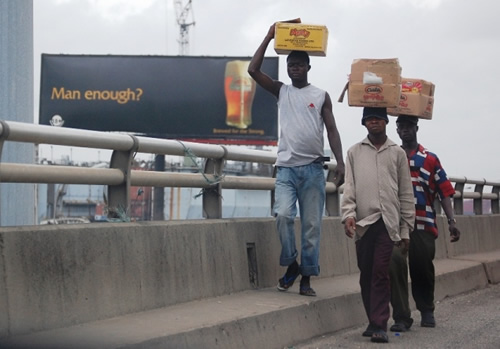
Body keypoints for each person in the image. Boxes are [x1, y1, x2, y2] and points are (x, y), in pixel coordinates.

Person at [248, 22, 345, 297]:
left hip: (313, 169)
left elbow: (332, 129)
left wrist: (340, 161)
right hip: (286, 170)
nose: (294, 69)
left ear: (308, 68)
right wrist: (268, 36)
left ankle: (306, 278)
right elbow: (253, 70)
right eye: (291, 65)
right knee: (282, 215)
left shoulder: (321, 95)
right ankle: (291, 263)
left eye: (300, 65)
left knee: (312, 227)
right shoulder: (282, 91)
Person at [341, 107, 415, 343]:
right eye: (370, 119)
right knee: (366, 272)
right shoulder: (354, 152)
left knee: (381, 272)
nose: (374, 123)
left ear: (385, 122)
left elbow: (405, 192)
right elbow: (349, 187)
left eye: (378, 119)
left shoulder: (397, 153)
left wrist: (405, 229)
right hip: (363, 223)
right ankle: (372, 320)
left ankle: (380, 324)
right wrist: (348, 215)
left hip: (388, 221)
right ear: (364, 124)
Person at [389, 114, 461, 332]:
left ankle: (427, 309)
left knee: (422, 267)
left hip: (423, 221)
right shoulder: (392, 156)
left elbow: (444, 191)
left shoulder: (429, 158)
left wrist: (451, 220)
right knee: (395, 266)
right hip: (397, 223)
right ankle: (401, 316)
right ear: (397, 130)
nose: (405, 130)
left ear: (416, 128)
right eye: (401, 127)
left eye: (409, 126)